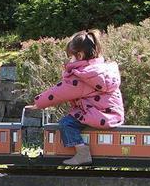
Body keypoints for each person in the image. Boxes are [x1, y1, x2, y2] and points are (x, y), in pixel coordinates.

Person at [28, 29, 124, 166]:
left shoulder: (82, 76)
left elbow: (59, 92)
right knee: (74, 116)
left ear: (79, 55)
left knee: (66, 123)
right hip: (112, 114)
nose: (69, 60)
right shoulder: (103, 71)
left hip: (99, 115)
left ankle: (82, 153)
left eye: (71, 57)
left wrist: (39, 103)